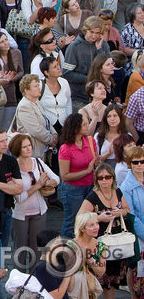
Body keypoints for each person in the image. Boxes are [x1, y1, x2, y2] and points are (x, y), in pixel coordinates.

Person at [77, 163, 130, 298]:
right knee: (95, 282)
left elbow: (127, 210)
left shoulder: (117, 192)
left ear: (113, 178)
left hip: (117, 242)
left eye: (108, 177)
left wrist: (120, 213)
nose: (104, 180)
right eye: (101, 178)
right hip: (99, 243)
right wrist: (99, 218)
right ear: (96, 180)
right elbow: (80, 217)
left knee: (112, 283)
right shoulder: (92, 196)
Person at [9, 134, 60, 272]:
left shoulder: (37, 162)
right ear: (17, 150)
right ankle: (18, 284)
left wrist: (47, 183)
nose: (28, 149)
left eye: (29, 145)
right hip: (20, 215)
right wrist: (37, 186)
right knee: (20, 250)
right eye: (24, 147)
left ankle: (34, 283)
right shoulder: (13, 167)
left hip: (39, 212)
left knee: (37, 251)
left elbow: (56, 178)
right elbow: (18, 197)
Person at [58, 113, 97, 238]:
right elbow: (64, 176)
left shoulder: (90, 141)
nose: (88, 126)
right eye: (84, 124)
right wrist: (87, 171)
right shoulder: (65, 148)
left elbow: (96, 161)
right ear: (76, 128)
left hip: (90, 186)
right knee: (72, 221)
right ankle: (65, 253)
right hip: (73, 189)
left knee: (88, 220)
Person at [63, 16, 110, 111]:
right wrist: (90, 79)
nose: (94, 36)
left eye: (97, 33)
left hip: (99, 98)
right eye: (91, 32)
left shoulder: (103, 45)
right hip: (79, 97)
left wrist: (99, 50)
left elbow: (108, 68)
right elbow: (67, 74)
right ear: (85, 30)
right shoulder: (74, 47)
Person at [14, 74, 58, 159]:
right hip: (33, 151)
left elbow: (46, 121)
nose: (39, 88)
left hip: (43, 147)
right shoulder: (24, 106)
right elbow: (35, 130)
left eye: (38, 85)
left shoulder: (37, 102)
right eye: (35, 86)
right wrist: (50, 139)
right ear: (27, 90)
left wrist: (54, 134)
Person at [70, 212, 107, 298]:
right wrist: (82, 258)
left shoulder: (101, 246)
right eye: (91, 225)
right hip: (74, 288)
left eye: (97, 223)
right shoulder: (71, 245)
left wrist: (90, 260)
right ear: (82, 229)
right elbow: (67, 270)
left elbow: (101, 272)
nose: (96, 227)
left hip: (91, 289)